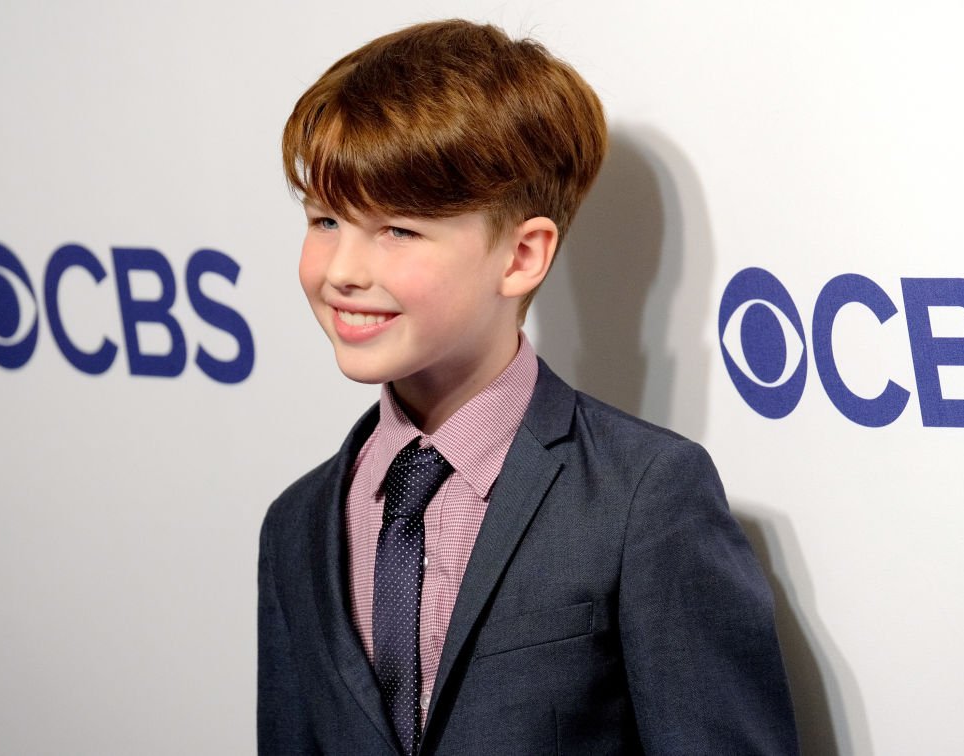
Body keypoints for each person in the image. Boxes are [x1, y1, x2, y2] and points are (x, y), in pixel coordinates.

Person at [258, 18, 798, 755]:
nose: (342, 269)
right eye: (325, 219)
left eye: (397, 230)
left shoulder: (645, 499)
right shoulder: (297, 524)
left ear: (521, 255)